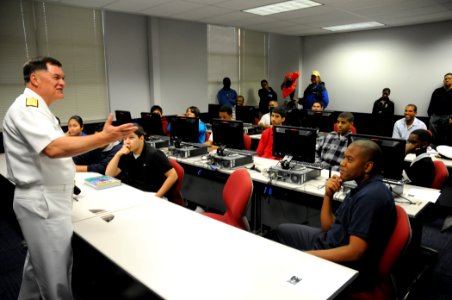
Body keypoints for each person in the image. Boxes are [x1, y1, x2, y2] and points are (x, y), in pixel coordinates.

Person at [2, 56, 137, 300]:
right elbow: (53, 148)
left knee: (37, 272)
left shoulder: (41, 112)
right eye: (56, 77)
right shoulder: (27, 107)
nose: (62, 82)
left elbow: (62, 148)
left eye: (63, 78)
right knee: (56, 279)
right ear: (35, 78)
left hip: (48, 199)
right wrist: (103, 138)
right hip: (43, 202)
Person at [267, 139, 396, 292]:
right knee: (280, 232)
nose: (342, 163)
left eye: (349, 160)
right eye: (344, 157)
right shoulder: (362, 187)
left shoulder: (370, 197)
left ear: (367, 166)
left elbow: (355, 252)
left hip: (347, 265)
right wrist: (328, 195)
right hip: (331, 241)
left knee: (281, 246)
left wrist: (307, 255)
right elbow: (328, 226)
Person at [106, 124, 178, 198]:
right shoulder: (127, 154)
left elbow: (173, 175)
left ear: (141, 138)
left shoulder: (154, 154)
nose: (127, 142)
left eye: (131, 138)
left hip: (152, 194)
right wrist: (118, 154)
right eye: (124, 139)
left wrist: (157, 197)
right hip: (135, 192)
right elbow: (109, 174)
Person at [427, 73, 452, 146]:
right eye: (445, 78)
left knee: (446, 135)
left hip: (448, 116)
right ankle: (432, 148)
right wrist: (430, 115)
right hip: (435, 116)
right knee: (432, 134)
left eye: (449, 78)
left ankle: (444, 149)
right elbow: (431, 103)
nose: (447, 80)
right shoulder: (437, 91)